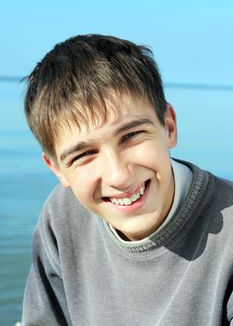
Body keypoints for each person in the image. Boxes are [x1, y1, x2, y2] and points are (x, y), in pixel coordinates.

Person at [22, 34, 233, 326]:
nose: (118, 176)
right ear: (57, 169)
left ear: (169, 127)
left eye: (131, 136)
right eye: (84, 154)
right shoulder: (62, 216)